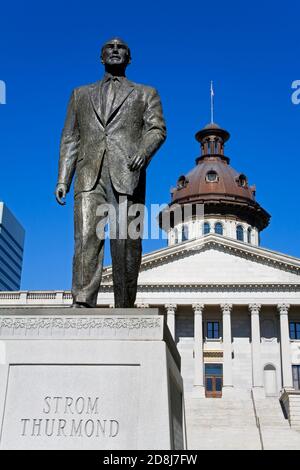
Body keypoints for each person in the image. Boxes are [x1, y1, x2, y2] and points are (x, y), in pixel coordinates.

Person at [55, 38, 166, 308]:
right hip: (88, 175)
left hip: (128, 172)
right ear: (101, 57)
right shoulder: (79, 94)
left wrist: (144, 151)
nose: (115, 50)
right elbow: (70, 138)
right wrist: (63, 179)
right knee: (85, 238)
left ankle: (124, 305)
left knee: (126, 243)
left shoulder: (145, 93)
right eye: (109, 47)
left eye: (121, 48)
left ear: (129, 58)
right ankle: (82, 300)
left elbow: (157, 129)